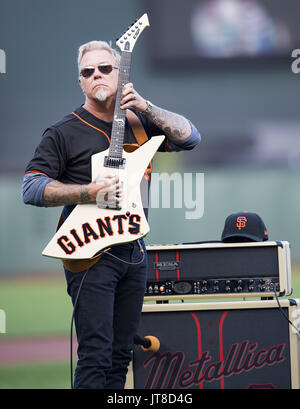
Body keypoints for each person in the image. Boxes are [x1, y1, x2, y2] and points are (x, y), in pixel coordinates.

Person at [22, 40, 201, 389]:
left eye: (105, 68)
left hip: (134, 251)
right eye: (88, 72)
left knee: (122, 356)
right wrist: (87, 191)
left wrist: (146, 106)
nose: (97, 76)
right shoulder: (63, 131)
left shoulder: (138, 122)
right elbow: (30, 187)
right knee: (96, 355)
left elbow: (191, 137)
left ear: (120, 74)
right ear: (80, 82)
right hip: (91, 254)